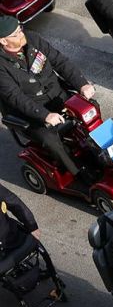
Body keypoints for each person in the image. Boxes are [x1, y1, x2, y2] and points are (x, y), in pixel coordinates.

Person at [0, 16, 96, 183]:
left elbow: (60, 62)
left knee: (90, 108)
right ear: (3, 40)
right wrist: (45, 115)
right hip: (31, 114)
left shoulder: (33, 39)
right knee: (50, 139)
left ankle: (101, 153)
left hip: (58, 95)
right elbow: (16, 98)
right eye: (15, 34)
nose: (21, 34)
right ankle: (78, 172)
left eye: (20, 29)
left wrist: (82, 84)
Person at [0, 182, 40, 253]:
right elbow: (14, 202)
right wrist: (32, 225)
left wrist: (32, 226)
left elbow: (14, 203)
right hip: (11, 237)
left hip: (10, 237)